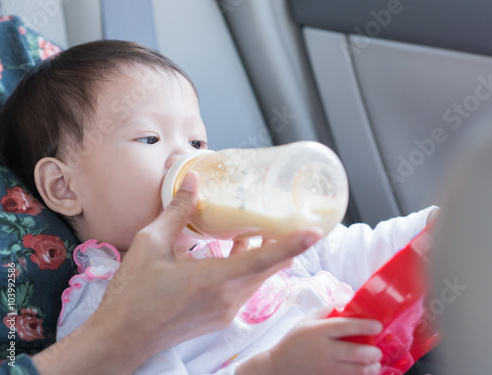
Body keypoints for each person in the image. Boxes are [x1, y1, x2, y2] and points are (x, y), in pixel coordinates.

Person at [0, 40, 437, 375]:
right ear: (64, 186)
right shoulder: (103, 303)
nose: (187, 161)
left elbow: (352, 252)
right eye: (149, 139)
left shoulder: (244, 229)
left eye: (197, 142)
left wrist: (440, 226)